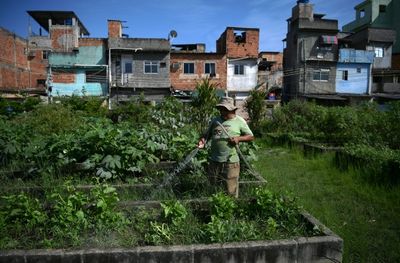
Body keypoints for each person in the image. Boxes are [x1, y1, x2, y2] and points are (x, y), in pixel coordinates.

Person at [197, 97, 254, 198]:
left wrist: (238, 139)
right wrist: (202, 140)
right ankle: (215, 208)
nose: (222, 112)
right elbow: (206, 135)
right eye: (221, 109)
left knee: (230, 190)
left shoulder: (239, 121)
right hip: (214, 160)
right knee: (213, 188)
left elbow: (250, 136)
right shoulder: (215, 121)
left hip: (231, 161)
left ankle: (231, 210)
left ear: (232, 110)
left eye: (225, 110)